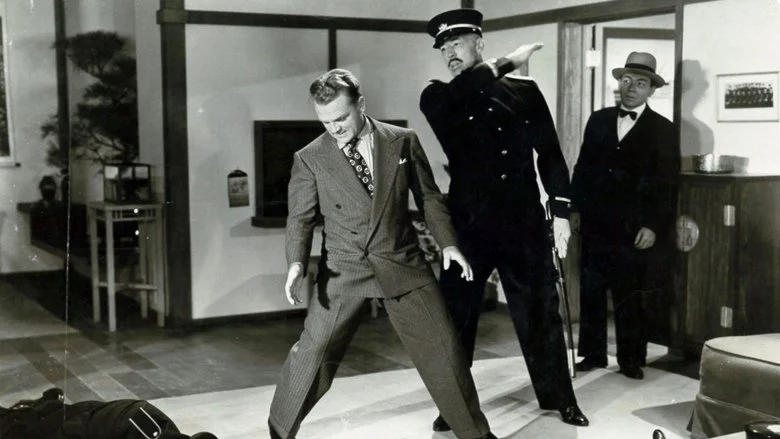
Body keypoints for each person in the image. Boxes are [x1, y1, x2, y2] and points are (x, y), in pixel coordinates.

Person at [267, 68, 498, 439]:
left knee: (445, 354)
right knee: (311, 355)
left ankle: (477, 436)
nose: (334, 128)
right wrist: (296, 263)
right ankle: (279, 433)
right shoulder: (310, 157)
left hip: (402, 262)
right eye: (325, 122)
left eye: (341, 118)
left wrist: (449, 244)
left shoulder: (402, 141)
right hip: (344, 269)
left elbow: (429, 197)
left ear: (361, 104)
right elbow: (300, 218)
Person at [419, 8, 589, 430]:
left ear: (479, 42)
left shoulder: (526, 92)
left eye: (457, 43)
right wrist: (509, 61)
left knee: (540, 313)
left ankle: (560, 398)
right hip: (468, 228)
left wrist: (561, 212)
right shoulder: (438, 96)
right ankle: (453, 405)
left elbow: (549, 153)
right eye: (443, 47)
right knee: (457, 318)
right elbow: (468, 90)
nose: (449, 53)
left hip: (522, 223)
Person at [570, 51, 680, 380]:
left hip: (634, 227)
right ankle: (592, 354)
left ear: (651, 90)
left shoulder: (663, 129)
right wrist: (574, 207)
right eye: (626, 81)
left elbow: (666, 183)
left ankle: (630, 359)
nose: (631, 88)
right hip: (594, 222)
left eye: (640, 83)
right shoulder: (598, 120)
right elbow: (583, 167)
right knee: (591, 290)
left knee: (629, 292)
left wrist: (653, 225)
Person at [0, 387, 217, 439]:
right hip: (73, 426)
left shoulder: (161, 428)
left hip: (86, 417)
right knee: (15, 428)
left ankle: (45, 408)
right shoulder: (145, 429)